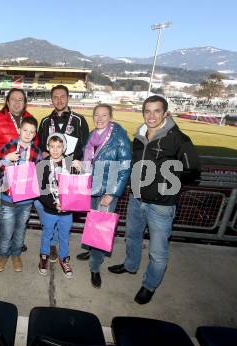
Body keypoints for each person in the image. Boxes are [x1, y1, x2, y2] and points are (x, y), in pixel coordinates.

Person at [108, 95, 201, 304]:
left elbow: (193, 170)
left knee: (158, 252)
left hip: (161, 205)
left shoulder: (179, 139)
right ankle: (130, 265)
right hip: (136, 199)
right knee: (132, 236)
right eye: (147, 111)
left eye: (156, 111)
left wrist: (164, 183)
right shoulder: (139, 136)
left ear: (165, 113)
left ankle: (149, 285)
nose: (151, 115)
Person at [74, 104, 132, 288]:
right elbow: (91, 164)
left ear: (111, 117)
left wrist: (112, 193)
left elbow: (124, 167)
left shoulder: (119, 137)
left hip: (107, 191)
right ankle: (92, 252)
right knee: (92, 224)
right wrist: (80, 166)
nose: (99, 118)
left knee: (100, 230)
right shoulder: (93, 135)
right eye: (96, 115)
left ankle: (95, 267)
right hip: (92, 187)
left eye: (104, 115)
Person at [37, 85, 90, 261]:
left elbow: (85, 148)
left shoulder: (79, 120)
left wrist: (76, 166)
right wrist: (48, 160)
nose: (59, 100)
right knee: (51, 209)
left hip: (70, 173)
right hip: (51, 170)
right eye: (55, 97)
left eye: (62, 96)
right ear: (51, 99)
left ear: (68, 98)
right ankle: (50, 246)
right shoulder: (45, 121)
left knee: (65, 214)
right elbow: (41, 147)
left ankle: (62, 250)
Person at [0, 88, 36, 250]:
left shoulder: (30, 119)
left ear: (25, 102)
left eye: (20, 99)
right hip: (4, 176)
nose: (16, 102)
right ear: (7, 102)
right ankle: (5, 238)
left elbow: (36, 146)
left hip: (24, 176)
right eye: (13, 99)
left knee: (22, 212)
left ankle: (17, 240)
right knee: (5, 211)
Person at [0, 116, 42, 272]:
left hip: (26, 201)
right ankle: (3, 255)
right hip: (8, 199)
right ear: (19, 130)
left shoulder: (36, 152)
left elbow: (39, 175)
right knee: (6, 231)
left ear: (35, 134)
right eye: (25, 130)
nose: (28, 134)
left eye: (32, 132)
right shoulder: (8, 147)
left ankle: (16, 254)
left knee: (20, 230)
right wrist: (5, 160)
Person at [38, 133, 75, 278]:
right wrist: (54, 204)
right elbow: (40, 190)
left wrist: (81, 169)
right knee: (47, 234)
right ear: (48, 147)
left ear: (64, 148)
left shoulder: (71, 164)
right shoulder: (41, 165)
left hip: (67, 211)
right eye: (52, 146)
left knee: (64, 236)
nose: (55, 150)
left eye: (59, 146)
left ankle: (64, 259)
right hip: (49, 210)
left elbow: (79, 188)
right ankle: (44, 256)